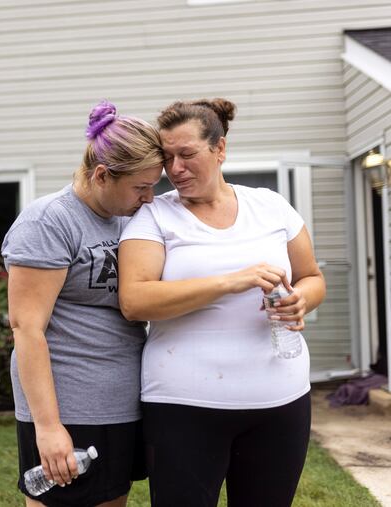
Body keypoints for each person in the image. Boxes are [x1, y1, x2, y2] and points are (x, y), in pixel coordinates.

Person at [118, 98, 326, 507]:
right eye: (168, 157)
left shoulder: (271, 207)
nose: (175, 169)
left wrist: (300, 300)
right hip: (183, 406)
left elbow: (312, 278)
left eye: (187, 154)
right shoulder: (154, 217)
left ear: (220, 149)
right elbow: (135, 300)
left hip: (280, 404)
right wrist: (229, 282)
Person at [2, 101, 164, 507]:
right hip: (70, 405)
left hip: (120, 402)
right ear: (102, 175)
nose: (150, 198)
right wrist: (48, 427)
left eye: (154, 186)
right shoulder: (49, 222)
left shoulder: (127, 217)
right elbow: (27, 328)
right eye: (141, 187)